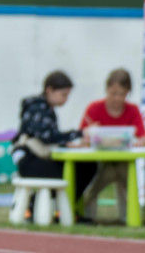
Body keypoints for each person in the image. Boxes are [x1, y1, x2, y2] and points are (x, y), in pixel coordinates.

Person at [11, 70, 95, 219]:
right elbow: (47, 137)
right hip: (30, 160)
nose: (66, 99)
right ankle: (59, 211)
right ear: (49, 90)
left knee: (85, 166)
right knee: (80, 170)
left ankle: (51, 208)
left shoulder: (45, 108)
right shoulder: (37, 107)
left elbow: (50, 138)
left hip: (36, 158)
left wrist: (69, 143)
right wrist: (79, 134)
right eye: (63, 94)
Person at [77, 69, 145, 222]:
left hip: (122, 160)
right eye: (113, 93)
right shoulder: (94, 108)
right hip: (99, 161)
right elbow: (81, 136)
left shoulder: (132, 110)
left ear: (128, 92)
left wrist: (140, 141)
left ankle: (124, 212)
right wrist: (90, 134)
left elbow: (142, 137)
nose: (117, 98)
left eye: (121, 94)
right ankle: (130, 214)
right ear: (107, 89)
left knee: (120, 169)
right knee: (111, 171)